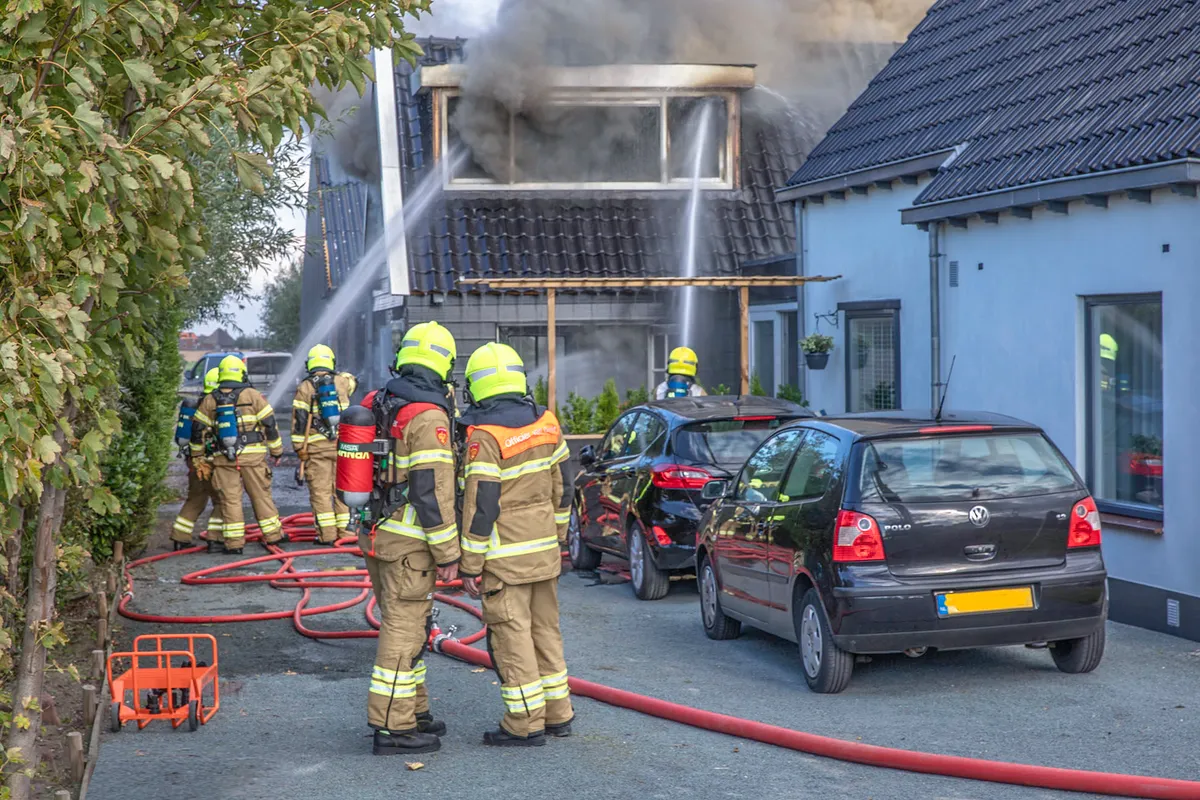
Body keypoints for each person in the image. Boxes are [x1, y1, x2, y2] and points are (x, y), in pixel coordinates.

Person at [458, 342, 574, 747]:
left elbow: (481, 504)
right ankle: (559, 713)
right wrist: (558, 538)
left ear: (475, 387)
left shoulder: (485, 435)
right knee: (546, 632)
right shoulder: (546, 422)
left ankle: (524, 723)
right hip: (545, 553)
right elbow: (565, 489)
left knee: (513, 637)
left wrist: (470, 563)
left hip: (504, 561)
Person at [360, 322, 460, 756]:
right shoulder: (428, 416)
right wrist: (448, 552)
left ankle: (414, 712)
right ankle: (392, 727)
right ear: (444, 364)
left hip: (376, 534)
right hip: (410, 544)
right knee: (403, 630)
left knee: (411, 625)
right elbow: (431, 491)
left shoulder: (378, 401)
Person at [190, 355, 284, 555]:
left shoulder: (210, 399)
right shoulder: (253, 395)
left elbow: (197, 430)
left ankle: (234, 544)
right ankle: (274, 536)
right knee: (261, 496)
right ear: (241, 373)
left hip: (223, 459)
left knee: (230, 500)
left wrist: (197, 456)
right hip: (253, 458)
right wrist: (276, 450)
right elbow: (270, 424)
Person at [291, 344, 357, 545]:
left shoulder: (305, 387)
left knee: (320, 493)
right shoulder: (342, 382)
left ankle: (327, 536)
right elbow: (354, 383)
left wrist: (298, 449)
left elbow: (300, 422)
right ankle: (347, 534)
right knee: (342, 490)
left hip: (317, 450)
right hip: (342, 446)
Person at [171, 368, 222, 551]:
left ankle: (180, 537)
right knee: (222, 499)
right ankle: (215, 538)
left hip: (192, 461)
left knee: (195, 498)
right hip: (211, 462)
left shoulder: (195, 405)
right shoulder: (217, 408)